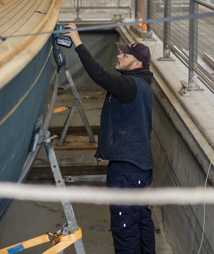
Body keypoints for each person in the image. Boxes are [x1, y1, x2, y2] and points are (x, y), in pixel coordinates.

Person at [64, 24, 156, 254]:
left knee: (125, 228)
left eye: (124, 55)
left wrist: (77, 42)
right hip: (140, 167)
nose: (119, 55)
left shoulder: (129, 86)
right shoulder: (142, 84)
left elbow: (99, 75)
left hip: (126, 169)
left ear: (137, 64)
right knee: (142, 222)